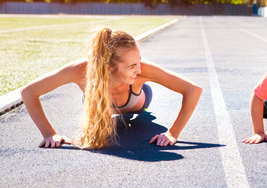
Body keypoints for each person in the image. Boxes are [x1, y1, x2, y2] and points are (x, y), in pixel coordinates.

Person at [21, 28, 202, 149]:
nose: (139, 70)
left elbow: (193, 90)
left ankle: (143, 110)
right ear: (109, 67)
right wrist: (49, 134)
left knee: (143, 106)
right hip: (101, 102)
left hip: (138, 101)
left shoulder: (141, 73)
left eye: (139, 62)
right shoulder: (80, 71)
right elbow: (29, 92)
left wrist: (173, 133)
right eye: (132, 66)